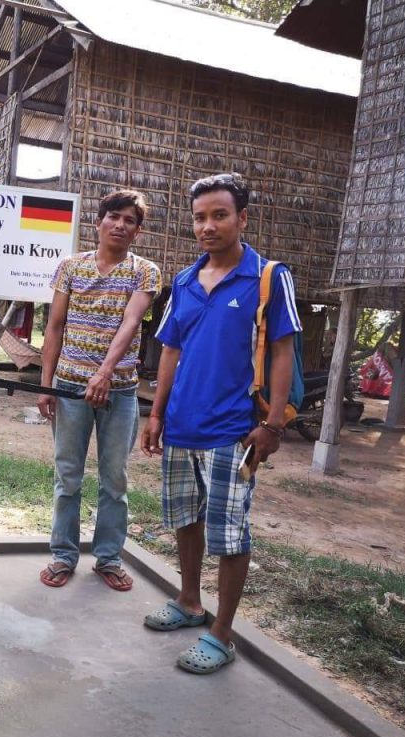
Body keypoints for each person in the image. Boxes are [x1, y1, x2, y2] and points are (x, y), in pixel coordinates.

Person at [141, 172, 301, 673]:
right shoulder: (186, 281)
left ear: (242, 218)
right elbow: (170, 350)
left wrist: (273, 425)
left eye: (219, 215)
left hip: (234, 431)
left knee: (230, 534)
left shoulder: (268, 277)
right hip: (182, 427)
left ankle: (223, 633)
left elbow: (281, 351)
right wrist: (157, 414)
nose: (207, 226)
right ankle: (189, 602)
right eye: (199, 218)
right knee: (186, 521)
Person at [37, 190, 162, 591]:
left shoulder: (145, 272)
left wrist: (105, 372)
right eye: (114, 217)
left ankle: (108, 558)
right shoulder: (71, 267)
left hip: (121, 391)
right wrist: (46, 386)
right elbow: (54, 327)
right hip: (70, 387)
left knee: (115, 478)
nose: (120, 225)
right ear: (99, 222)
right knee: (67, 475)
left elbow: (131, 323)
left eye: (130, 220)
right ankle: (63, 555)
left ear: (137, 231)